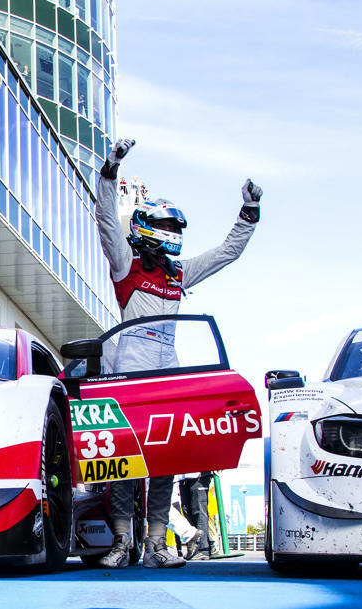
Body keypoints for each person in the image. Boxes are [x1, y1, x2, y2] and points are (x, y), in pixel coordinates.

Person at [95, 138, 262, 569]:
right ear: (147, 227)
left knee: (167, 457)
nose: (174, 237)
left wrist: (249, 213)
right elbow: (105, 220)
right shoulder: (125, 264)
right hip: (130, 365)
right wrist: (110, 169)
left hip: (170, 366)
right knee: (124, 460)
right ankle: (120, 543)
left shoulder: (178, 274)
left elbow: (227, 253)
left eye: (177, 231)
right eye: (168, 229)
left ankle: (157, 544)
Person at [179, 472, 213, 559]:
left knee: (199, 512)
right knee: (187, 511)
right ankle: (194, 548)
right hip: (183, 477)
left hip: (199, 475)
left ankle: (203, 549)